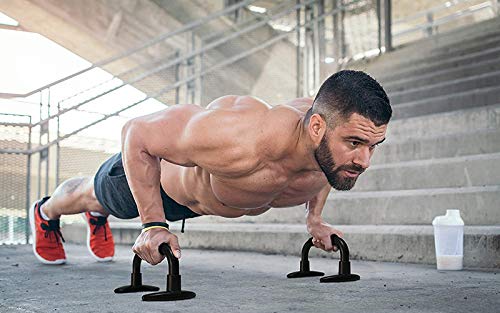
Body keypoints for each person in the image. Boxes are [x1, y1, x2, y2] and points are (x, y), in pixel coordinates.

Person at [29, 70, 392, 265]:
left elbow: (327, 170)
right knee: (89, 195)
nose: (364, 161)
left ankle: (97, 216)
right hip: (156, 185)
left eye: (373, 146)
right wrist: (154, 224)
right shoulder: (240, 134)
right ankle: (45, 212)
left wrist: (314, 220)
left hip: (204, 200)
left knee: (97, 204)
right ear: (317, 128)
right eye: (356, 144)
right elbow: (136, 133)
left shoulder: (329, 150)